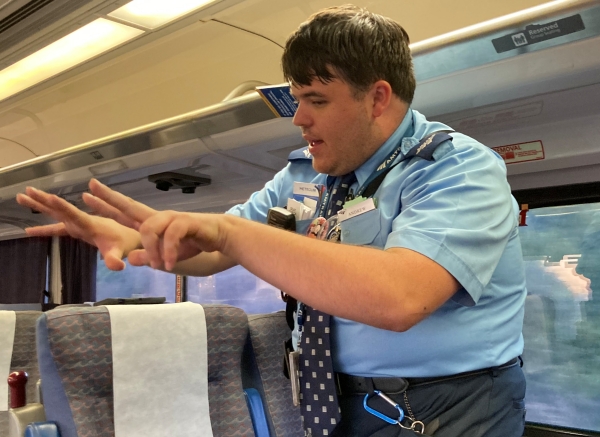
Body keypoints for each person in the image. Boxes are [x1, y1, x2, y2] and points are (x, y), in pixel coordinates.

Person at [16, 5, 526, 436]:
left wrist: (231, 232)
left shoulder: (457, 168)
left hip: (445, 408)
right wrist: (140, 238)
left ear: (377, 97)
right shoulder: (307, 175)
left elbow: (401, 297)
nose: (299, 118)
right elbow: (217, 249)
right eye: (296, 99)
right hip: (328, 402)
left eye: (316, 101)